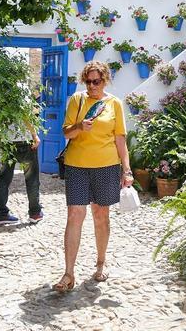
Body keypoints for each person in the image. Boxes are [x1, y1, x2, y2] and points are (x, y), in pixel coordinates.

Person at [54, 61, 132, 292]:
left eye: (96, 81)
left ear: (105, 80)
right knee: (75, 215)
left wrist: (126, 170)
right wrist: (79, 126)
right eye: (88, 81)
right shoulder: (77, 100)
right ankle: (68, 273)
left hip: (106, 166)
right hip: (77, 166)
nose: (91, 86)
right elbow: (66, 131)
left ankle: (101, 262)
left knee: (101, 215)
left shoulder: (114, 104)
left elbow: (120, 139)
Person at [0, 100, 42, 225]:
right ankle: (35, 213)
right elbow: (25, 114)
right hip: (23, 141)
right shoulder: (20, 85)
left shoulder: (1, 88)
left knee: (4, 178)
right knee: (32, 179)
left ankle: (1, 214)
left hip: (6, 141)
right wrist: (35, 135)